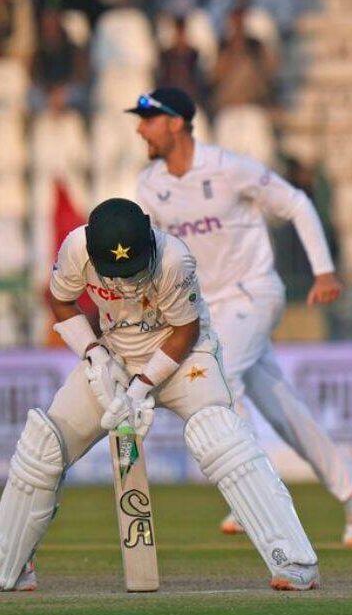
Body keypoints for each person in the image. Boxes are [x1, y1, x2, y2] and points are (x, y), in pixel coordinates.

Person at [0, 198, 319, 591]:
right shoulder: (75, 248)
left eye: (132, 270)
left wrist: (140, 388)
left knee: (218, 435)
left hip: (184, 357)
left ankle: (295, 561)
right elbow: (60, 299)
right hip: (115, 356)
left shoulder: (174, 260)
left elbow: (185, 332)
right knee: (43, 446)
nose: (125, 282)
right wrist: (95, 355)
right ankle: (9, 567)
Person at [128, 88, 352, 547]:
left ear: (176, 123)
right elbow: (160, 254)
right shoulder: (149, 184)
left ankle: (249, 492)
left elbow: (297, 203)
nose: (140, 129)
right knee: (282, 408)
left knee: (219, 379)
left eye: (148, 120)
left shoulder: (228, 167)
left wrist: (323, 271)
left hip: (254, 292)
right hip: (206, 307)